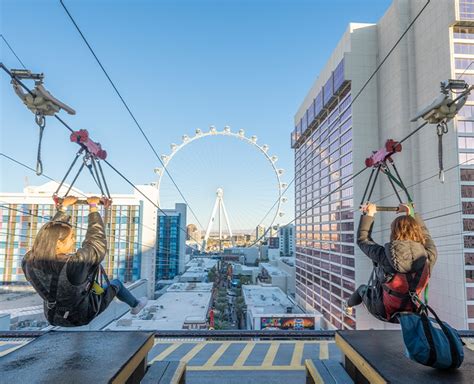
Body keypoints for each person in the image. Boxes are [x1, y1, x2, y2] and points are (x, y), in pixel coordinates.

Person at [22, 196, 147, 327]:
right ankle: (136, 305)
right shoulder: (74, 265)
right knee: (115, 284)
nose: (73, 241)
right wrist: (93, 208)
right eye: (72, 237)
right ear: (58, 243)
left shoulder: (28, 261)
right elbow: (95, 242)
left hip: (53, 316)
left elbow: (50, 234)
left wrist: (63, 208)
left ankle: (136, 304)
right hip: (82, 315)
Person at [345, 202, 437, 323]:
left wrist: (370, 214)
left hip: (384, 311)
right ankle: (349, 306)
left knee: (363, 289)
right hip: (414, 312)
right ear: (417, 232)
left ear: (393, 232)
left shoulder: (385, 256)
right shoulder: (429, 256)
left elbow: (363, 240)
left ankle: (348, 305)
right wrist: (411, 213)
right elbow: (426, 235)